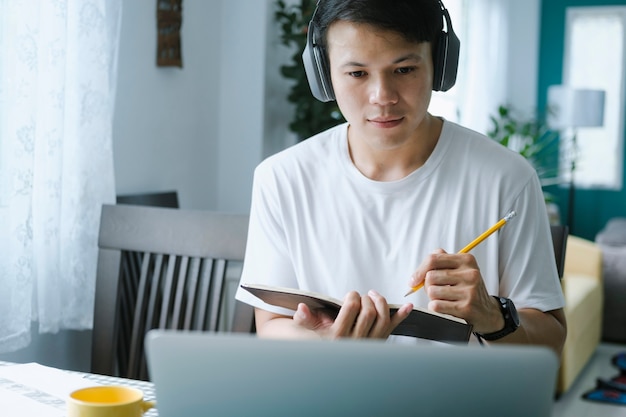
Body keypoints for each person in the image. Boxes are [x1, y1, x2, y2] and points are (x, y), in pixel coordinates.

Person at [235, 0, 566, 354]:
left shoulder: (507, 177)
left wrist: (494, 317)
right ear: (323, 73)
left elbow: (551, 341)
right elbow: (271, 322)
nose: (383, 97)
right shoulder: (282, 178)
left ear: (440, 65)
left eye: (404, 69)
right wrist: (327, 346)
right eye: (357, 74)